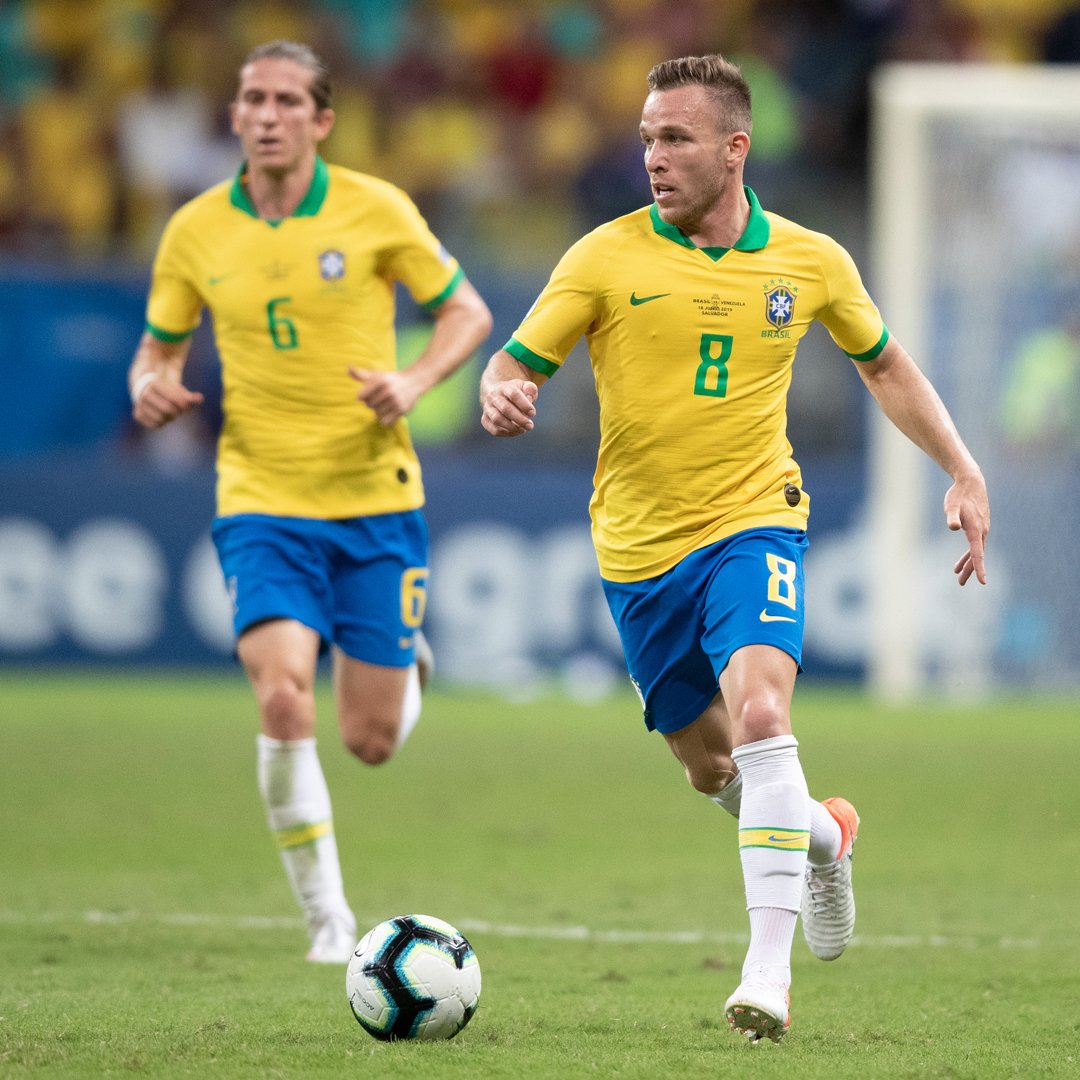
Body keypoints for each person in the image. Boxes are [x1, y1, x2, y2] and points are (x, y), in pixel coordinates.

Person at [480, 53, 988, 1043]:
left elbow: (885, 368)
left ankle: (766, 976)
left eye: (673, 138)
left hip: (757, 519)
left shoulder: (810, 261)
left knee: (762, 712)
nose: (653, 157)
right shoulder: (603, 257)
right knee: (712, 769)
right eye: (646, 139)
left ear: (734, 147)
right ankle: (825, 837)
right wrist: (505, 388)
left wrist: (962, 468)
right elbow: (516, 357)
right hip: (637, 551)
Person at [128, 40, 493, 964]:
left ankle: (407, 666)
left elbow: (467, 313)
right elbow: (157, 349)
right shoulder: (196, 230)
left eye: (289, 100)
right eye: (252, 97)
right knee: (284, 699)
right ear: (235, 112)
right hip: (260, 498)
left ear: (321, 120)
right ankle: (330, 924)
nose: (266, 114)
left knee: (369, 741)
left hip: (375, 496)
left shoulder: (376, 209)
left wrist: (413, 382)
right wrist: (149, 383)